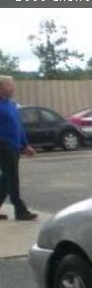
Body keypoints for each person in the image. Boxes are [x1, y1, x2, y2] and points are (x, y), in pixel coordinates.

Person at [0, 75, 37, 220]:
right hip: (3, 146)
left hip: (14, 146)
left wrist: (25, 145)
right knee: (12, 178)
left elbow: (18, 127)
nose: (13, 88)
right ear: (1, 88)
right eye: (10, 85)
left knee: (6, 178)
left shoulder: (11, 105)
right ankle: (20, 210)